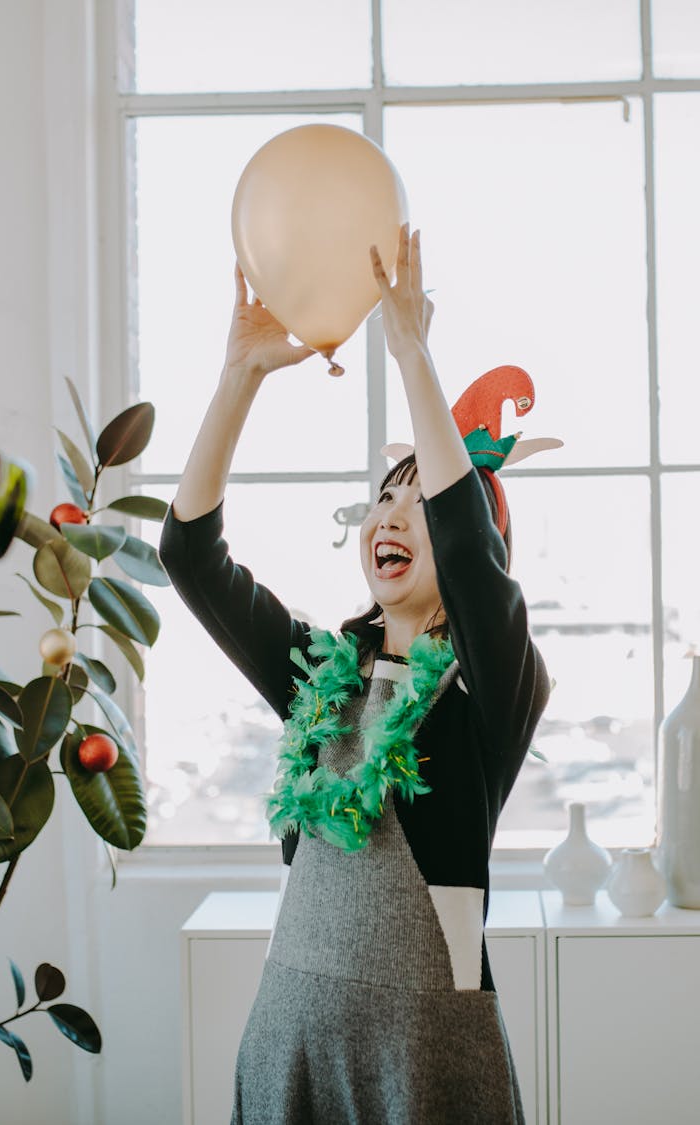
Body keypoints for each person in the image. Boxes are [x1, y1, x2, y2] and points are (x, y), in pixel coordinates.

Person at [159, 223, 550, 1124]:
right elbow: (189, 554)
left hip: (422, 1062)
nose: (395, 516)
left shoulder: (492, 691)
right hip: (290, 1043)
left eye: (420, 503)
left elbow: (470, 542)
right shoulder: (320, 680)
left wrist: (412, 352)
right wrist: (238, 377)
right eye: (385, 495)